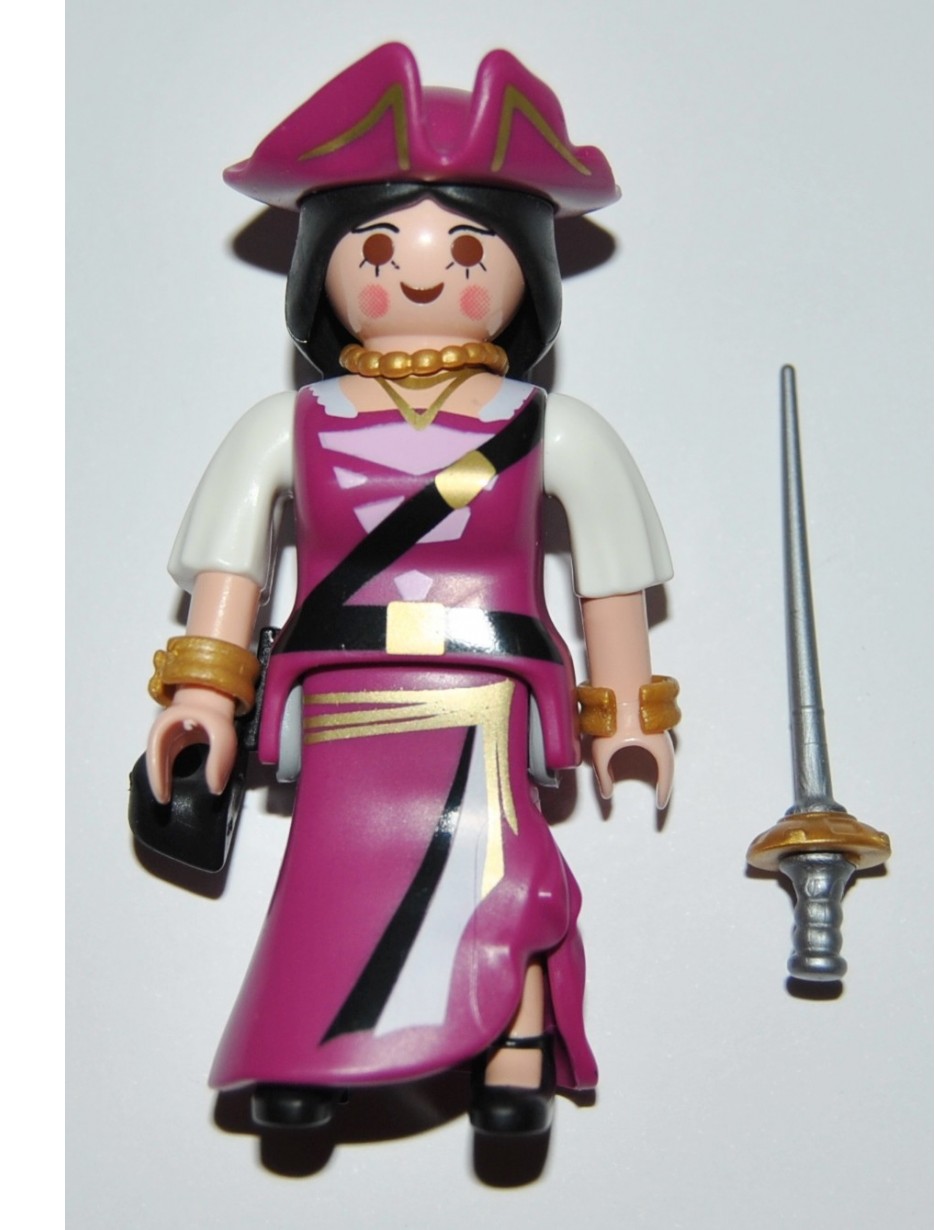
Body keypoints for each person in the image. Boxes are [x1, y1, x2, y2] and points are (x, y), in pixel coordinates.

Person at [143, 43, 678, 1139]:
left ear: (526, 273)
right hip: (344, 686)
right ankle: (306, 1047)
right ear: (324, 273)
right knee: (331, 869)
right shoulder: (287, 429)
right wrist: (200, 697)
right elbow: (231, 577)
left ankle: (512, 1040)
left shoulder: (552, 430)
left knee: (500, 856)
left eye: (467, 250)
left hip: (487, 690)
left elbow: (611, 585)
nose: (424, 279)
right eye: (379, 250)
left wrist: (628, 710)